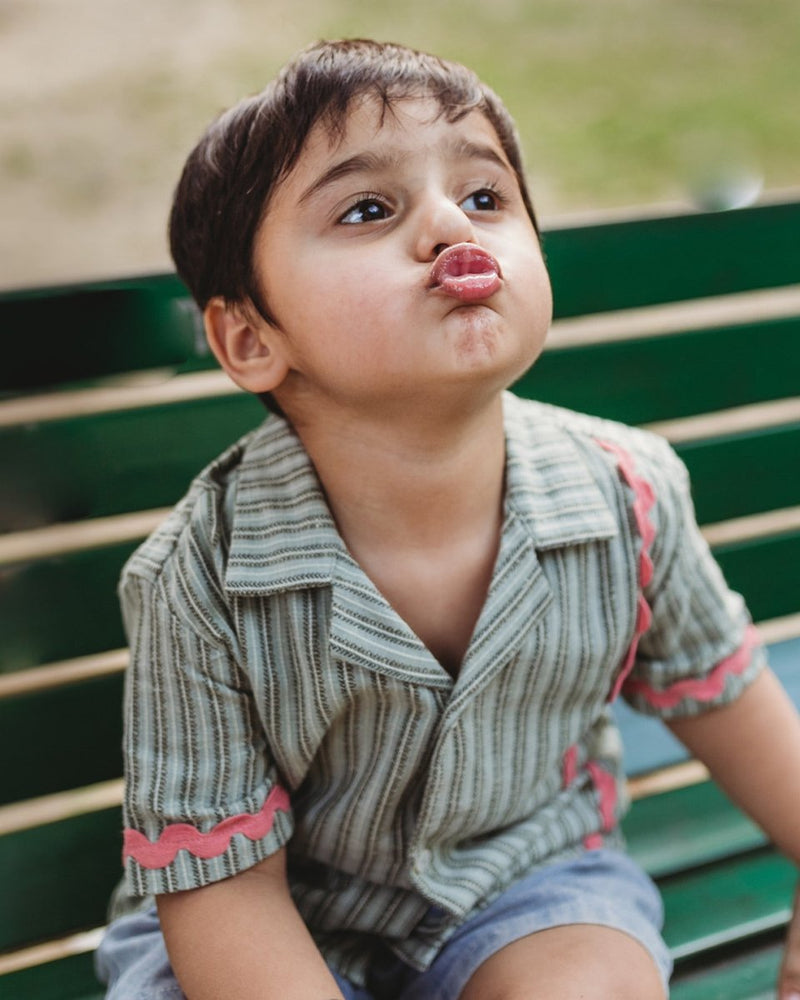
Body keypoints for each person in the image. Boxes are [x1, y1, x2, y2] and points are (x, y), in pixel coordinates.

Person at [96, 38, 800, 1000]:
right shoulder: (203, 577)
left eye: (483, 197)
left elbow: (725, 697)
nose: (444, 224)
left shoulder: (625, 493)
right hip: (269, 920)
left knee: (594, 983)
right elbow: (224, 890)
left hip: (522, 879)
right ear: (252, 338)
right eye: (369, 208)